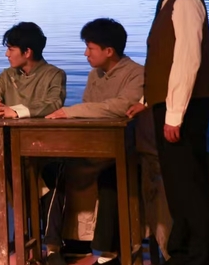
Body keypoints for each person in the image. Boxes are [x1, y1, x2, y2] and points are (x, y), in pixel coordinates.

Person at [127, 0, 209, 265]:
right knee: (179, 186)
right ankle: (182, 252)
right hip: (169, 105)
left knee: (190, 185)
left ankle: (199, 256)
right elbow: (163, 60)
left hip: (185, 108)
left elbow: (187, 61)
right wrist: (147, 100)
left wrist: (174, 115)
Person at [44, 18, 164, 265]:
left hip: (130, 150)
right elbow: (91, 108)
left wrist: (70, 111)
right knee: (54, 168)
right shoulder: (94, 75)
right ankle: (65, 243)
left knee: (112, 176)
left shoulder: (136, 73)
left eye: (90, 48)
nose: (86, 53)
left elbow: (121, 107)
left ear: (109, 51)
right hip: (96, 148)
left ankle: (108, 251)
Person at [0, 22, 66, 262]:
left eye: (10, 49)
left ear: (27, 51)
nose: (7, 54)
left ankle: (53, 247)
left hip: (41, 148)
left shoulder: (54, 74)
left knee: (55, 172)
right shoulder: (7, 75)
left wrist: (14, 111)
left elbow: (53, 104)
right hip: (7, 149)